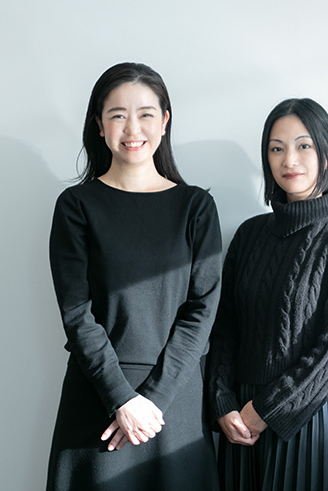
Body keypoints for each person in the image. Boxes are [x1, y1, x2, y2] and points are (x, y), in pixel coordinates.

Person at [47, 62, 221, 490]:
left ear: (164, 121)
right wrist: (121, 398)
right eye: (117, 115)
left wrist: (152, 401)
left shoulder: (196, 207)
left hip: (174, 403)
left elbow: (202, 312)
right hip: (97, 400)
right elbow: (76, 313)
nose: (132, 128)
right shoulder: (76, 206)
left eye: (145, 114)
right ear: (99, 125)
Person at [207, 98, 328, 490]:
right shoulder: (249, 235)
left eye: (303, 146)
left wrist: (267, 410)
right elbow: (225, 329)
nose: (289, 160)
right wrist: (222, 402)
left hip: (310, 417)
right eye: (276, 148)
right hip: (241, 422)